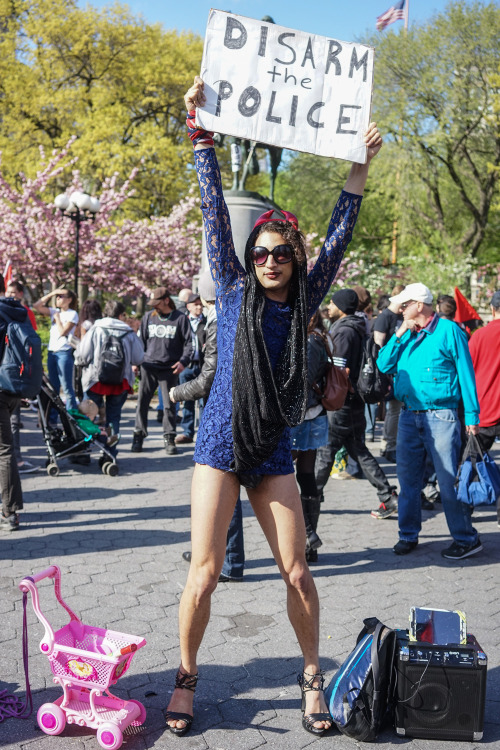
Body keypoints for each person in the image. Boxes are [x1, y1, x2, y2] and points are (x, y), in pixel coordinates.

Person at [164, 76, 382, 738]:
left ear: (295, 259)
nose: (269, 261)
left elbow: (341, 233)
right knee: (202, 575)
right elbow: (209, 208)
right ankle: (186, 676)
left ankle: (312, 676)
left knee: (297, 570)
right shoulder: (229, 287)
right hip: (219, 444)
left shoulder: (307, 300)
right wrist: (200, 132)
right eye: (260, 251)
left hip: (273, 448)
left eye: (281, 252)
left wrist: (356, 173)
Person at [377, 282, 481, 560]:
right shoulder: (406, 333)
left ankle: (465, 537)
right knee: (407, 480)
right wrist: (399, 334)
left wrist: (472, 416)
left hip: (441, 416)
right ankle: (407, 534)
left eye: (404, 305)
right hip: (410, 415)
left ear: (419, 305)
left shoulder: (449, 331)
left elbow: (466, 374)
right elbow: (383, 365)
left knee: (447, 481)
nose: (400, 310)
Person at [171, 271, 245, 582]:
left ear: (204, 298)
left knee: (221, 489)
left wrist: (178, 392)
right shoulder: (230, 315)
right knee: (220, 490)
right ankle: (213, 554)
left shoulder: (220, 320)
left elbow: (210, 376)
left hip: (225, 416)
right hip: (233, 412)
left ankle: (228, 561)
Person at [315, 288, 398, 519]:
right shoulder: (360, 326)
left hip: (341, 402)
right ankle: (387, 495)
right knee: (358, 450)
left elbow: (339, 369)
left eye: (332, 304)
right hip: (355, 400)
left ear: (341, 308)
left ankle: (310, 498)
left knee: (325, 452)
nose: (328, 308)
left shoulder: (343, 331)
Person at [75, 300, 144, 455]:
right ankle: (109, 452)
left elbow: (83, 355)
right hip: (121, 381)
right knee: (114, 418)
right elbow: (139, 358)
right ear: (120, 314)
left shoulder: (96, 329)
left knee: (87, 417)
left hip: (95, 379)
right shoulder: (128, 332)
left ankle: (83, 451)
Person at [131, 287, 193, 455]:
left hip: (169, 369)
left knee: (168, 406)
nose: (154, 307)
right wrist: (135, 361)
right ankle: (138, 435)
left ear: (166, 300)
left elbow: (189, 344)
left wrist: (183, 362)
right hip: (148, 366)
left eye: (157, 303)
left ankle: (169, 438)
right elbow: (140, 341)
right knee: (142, 403)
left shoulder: (181, 319)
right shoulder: (148, 317)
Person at [290, 310, 329, 563]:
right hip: (309, 415)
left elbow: (303, 381)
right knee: (304, 475)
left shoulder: (311, 341)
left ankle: (307, 535)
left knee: (283, 474)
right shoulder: (317, 338)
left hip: (303, 417)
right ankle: (308, 539)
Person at [0, 284, 31, 531]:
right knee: (5, 449)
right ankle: (9, 509)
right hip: (12, 389)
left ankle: (10, 511)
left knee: (4, 450)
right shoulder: (16, 310)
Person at [468, 290, 500, 524]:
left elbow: (467, 372)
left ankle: (465, 508)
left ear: (491, 309)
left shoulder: (479, 336)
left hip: (484, 409)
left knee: (470, 461)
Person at [4, 281, 39, 473]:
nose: (10, 296)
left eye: (13, 293)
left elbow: (30, 347)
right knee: (12, 421)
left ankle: (16, 461)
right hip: (10, 374)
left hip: (12, 374)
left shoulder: (25, 313)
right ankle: (15, 462)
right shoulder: (19, 313)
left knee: (14, 421)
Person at [33, 288, 79, 419]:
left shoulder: (72, 314)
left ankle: (72, 419)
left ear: (69, 300)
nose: (58, 299)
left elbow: (63, 332)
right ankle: (53, 417)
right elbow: (36, 306)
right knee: (53, 388)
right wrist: (51, 293)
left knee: (67, 387)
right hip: (52, 352)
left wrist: (58, 319)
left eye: (61, 296)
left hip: (64, 352)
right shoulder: (55, 311)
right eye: (57, 297)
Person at [373, 284, 405, 463]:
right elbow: (379, 347)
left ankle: (391, 445)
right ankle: (388, 446)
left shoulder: (401, 316)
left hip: (402, 371)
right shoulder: (385, 317)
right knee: (394, 410)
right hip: (389, 372)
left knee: (397, 410)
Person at [176, 293, 206, 444]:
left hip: (203, 367)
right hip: (186, 367)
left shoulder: (207, 323)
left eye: (201, 304)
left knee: (203, 401)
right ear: (188, 306)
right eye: (195, 304)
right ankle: (187, 432)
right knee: (187, 399)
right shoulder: (182, 321)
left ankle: (202, 433)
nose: (199, 307)